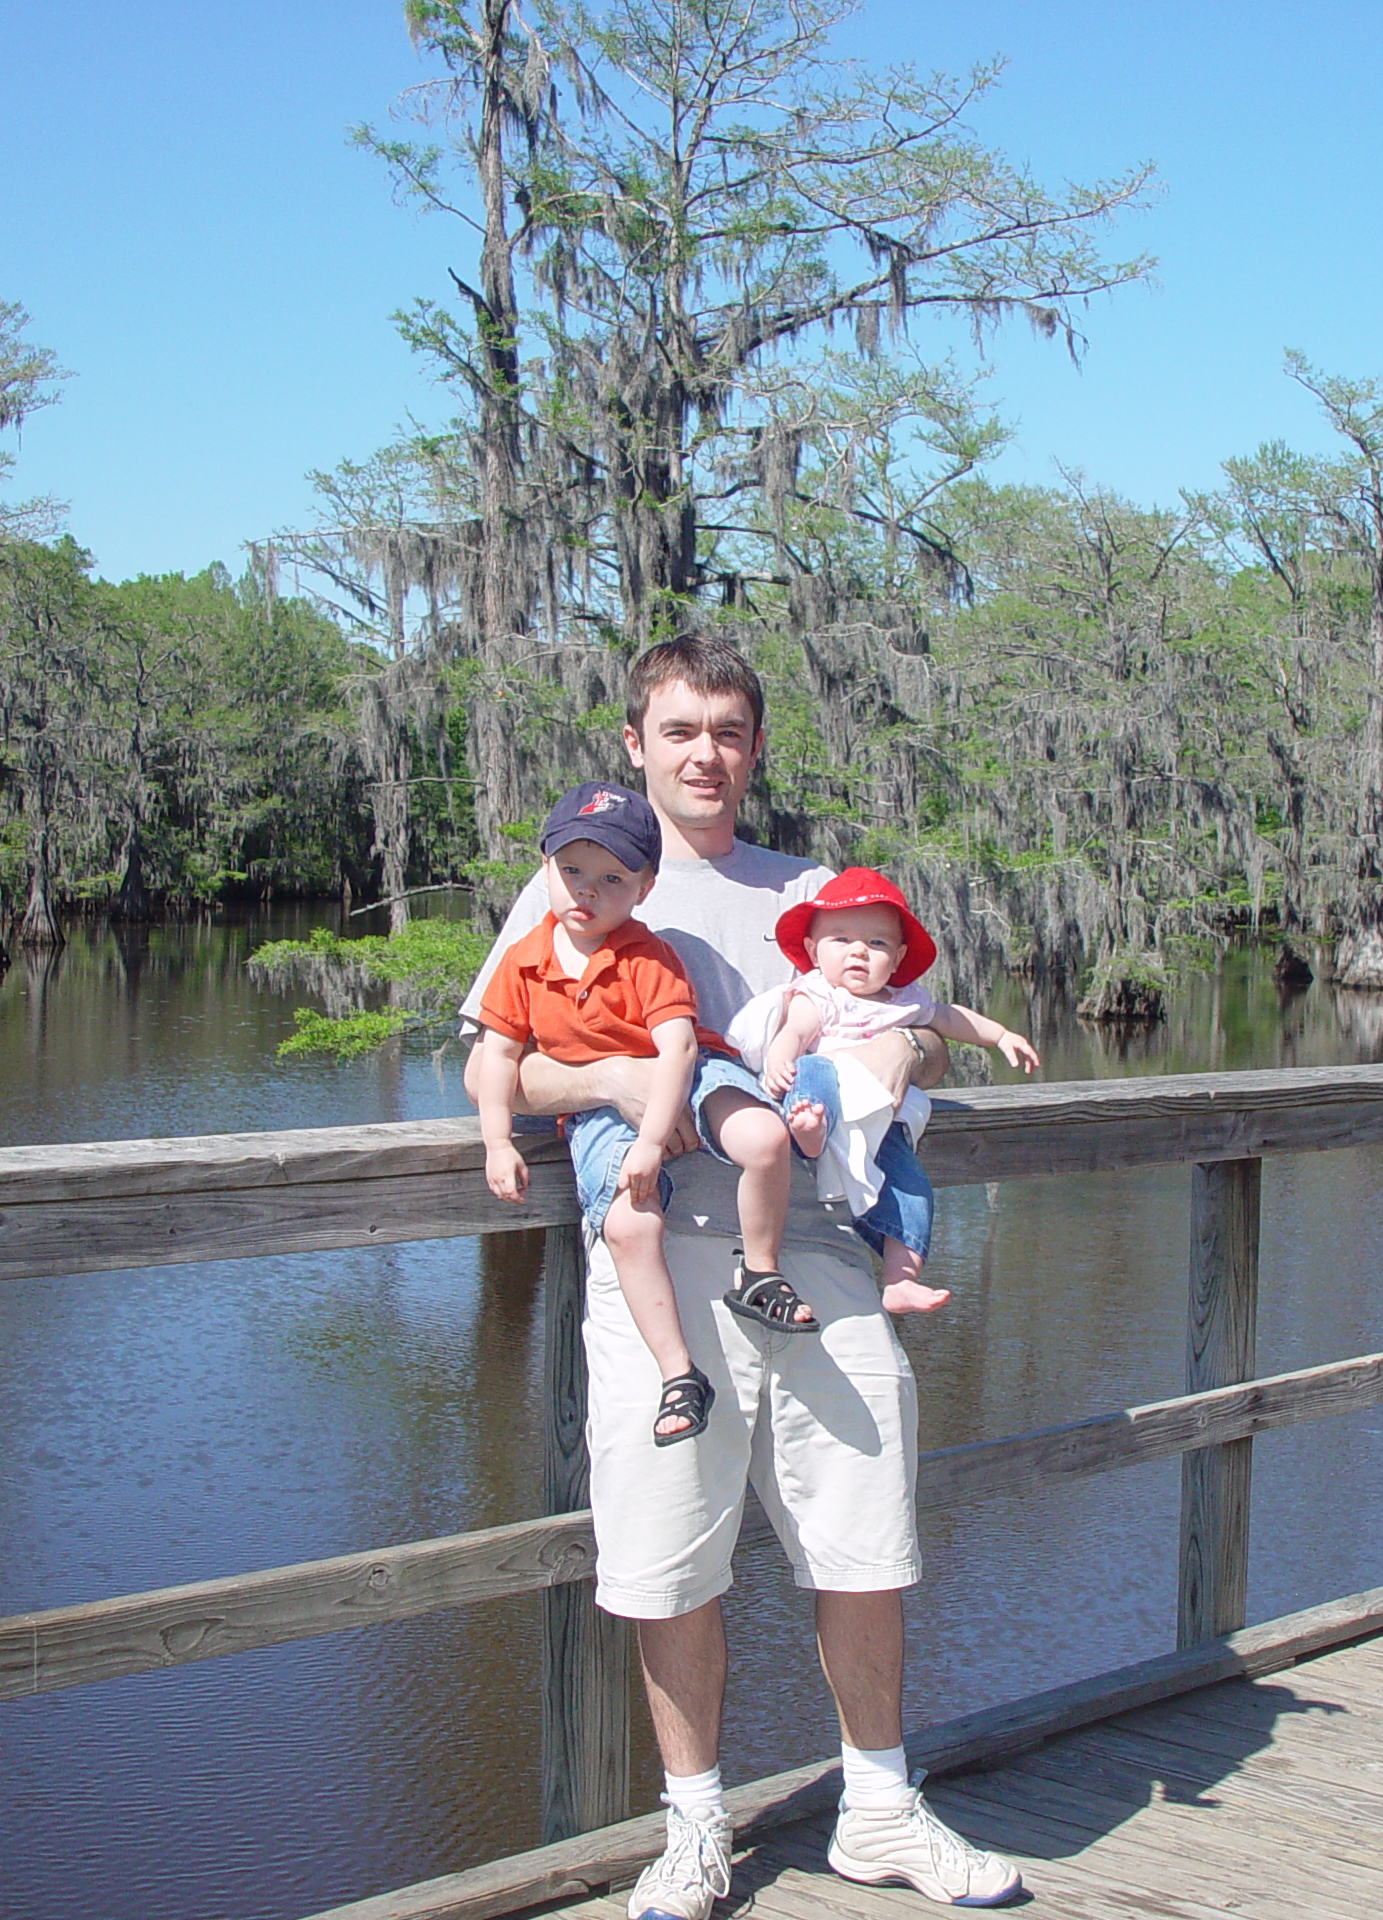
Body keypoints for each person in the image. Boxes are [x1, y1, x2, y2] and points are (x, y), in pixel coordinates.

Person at [461, 638, 1026, 1918]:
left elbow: (918, 1050)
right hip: (656, 1265)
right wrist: (615, 1082)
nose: (704, 751)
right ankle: (694, 1827)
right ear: (635, 745)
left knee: (866, 1541)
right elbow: (502, 1064)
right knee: (669, 1560)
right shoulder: (571, 890)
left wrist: (886, 1070)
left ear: (754, 747)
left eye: (726, 730)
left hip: (818, 1257)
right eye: (678, 730)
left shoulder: (821, 893)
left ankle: (880, 1811)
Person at [472, 781, 821, 1448]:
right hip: (599, 1110)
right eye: (570, 870)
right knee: (630, 1224)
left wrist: (654, 1139)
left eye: (611, 877)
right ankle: (679, 1372)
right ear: (544, 866)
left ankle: (760, 1269)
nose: (586, 890)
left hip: (689, 1076)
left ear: (644, 887)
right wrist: (496, 1143)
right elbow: (497, 1059)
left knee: (763, 1135)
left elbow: (680, 1048)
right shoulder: (522, 964)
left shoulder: (647, 954)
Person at [752, 868, 1041, 1314]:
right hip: (825, 1099)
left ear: (899, 955)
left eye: (877, 943)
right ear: (812, 949)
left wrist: (1000, 1036)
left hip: (880, 1119)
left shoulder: (905, 1001)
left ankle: (901, 1278)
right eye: (841, 939)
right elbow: (794, 1032)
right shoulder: (819, 994)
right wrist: (778, 1058)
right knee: (813, 1069)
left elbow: (951, 1018)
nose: (858, 953)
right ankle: (810, 1125)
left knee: (911, 1186)